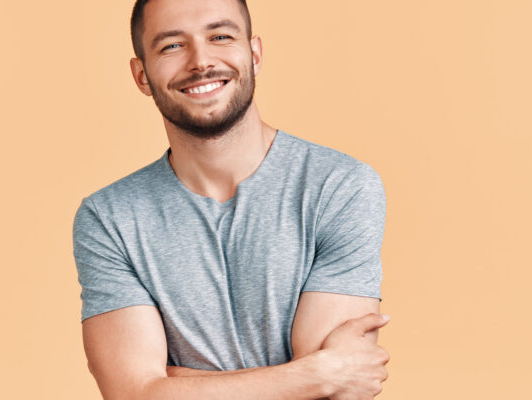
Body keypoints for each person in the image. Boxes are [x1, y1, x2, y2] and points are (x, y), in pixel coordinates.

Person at [72, 0, 391, 398]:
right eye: (172, 45)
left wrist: (169, 384)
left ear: (254, 54)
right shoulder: (109, 218)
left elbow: (333, 396)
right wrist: (316, 373)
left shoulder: (340, 186)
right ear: (141, 75)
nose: (200, 61)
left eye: (220, 36)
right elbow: (131, 394)